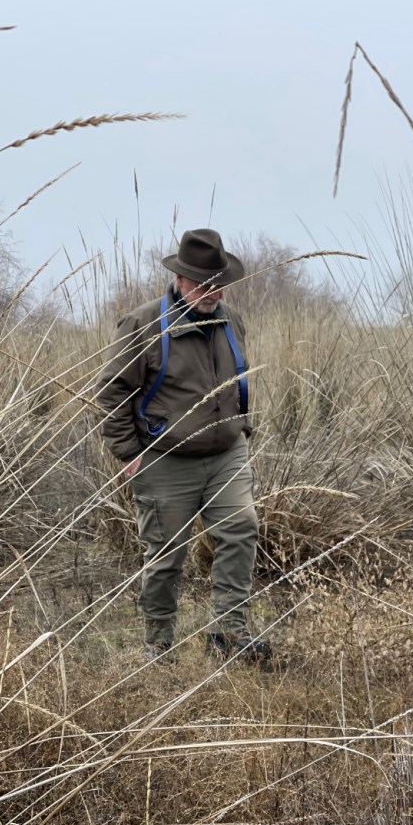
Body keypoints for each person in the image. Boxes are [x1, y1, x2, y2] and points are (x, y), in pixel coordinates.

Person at [95, 228, 271, 665]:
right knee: (166, 556)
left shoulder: (231, 319)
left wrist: (242, 429)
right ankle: (158, 645)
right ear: (180, 279)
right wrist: (129, 453)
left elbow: (237, 380)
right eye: (201, 283)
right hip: (164, 461)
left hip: (227, 455)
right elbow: (110, 393)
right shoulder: (143, 325)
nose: (212, 291)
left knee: (240, 531)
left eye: (218, 282)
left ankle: (228, 636)